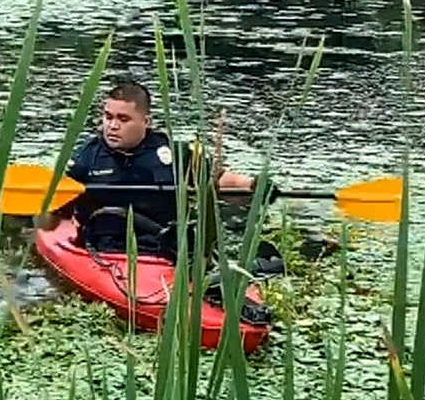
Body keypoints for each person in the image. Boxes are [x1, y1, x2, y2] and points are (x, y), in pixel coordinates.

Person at [36, 79, 278, 267]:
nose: (112, 125)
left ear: (146, 121)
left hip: (163, 252)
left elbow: (220, 181)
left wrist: (255, 186)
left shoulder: (173, 153)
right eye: (108, 117)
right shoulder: (86, 156)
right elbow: (55, 215)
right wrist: (42, 211)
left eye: (123, 119)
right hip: (105, 253)